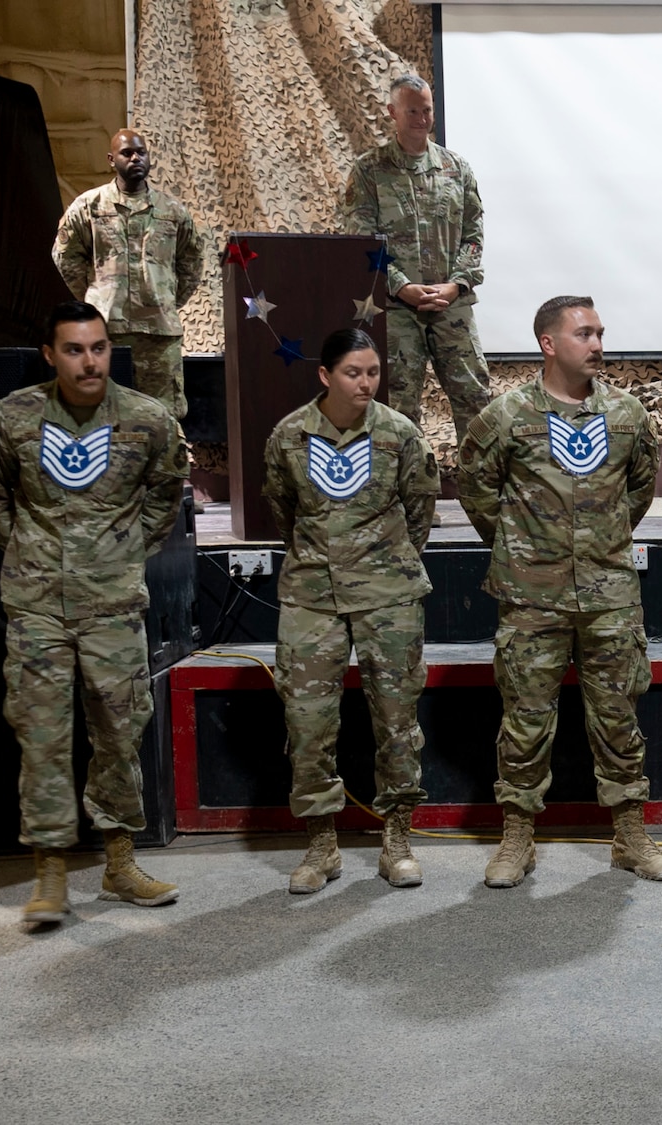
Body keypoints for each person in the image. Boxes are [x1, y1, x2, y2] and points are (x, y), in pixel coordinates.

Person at [0, 301, 190, 926]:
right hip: (36, 606)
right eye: (74, 349)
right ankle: (51, 875)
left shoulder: (148, 420)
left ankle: (119, 865)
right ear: (50, 354)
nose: (88, 361)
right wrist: (32, 554)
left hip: (113, 605)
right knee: (42, 739)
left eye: (97, 348)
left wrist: (118, 554)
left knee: (120, 734)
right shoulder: (11, 419)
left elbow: (164, 499)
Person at [457, 296, 662, 886]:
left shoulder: (628, 415)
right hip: (531, 596)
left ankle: (630, 836)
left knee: (618, 717)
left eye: (601, 332)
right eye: (584, 333)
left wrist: (598, 541)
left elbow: (639, 490)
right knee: (525, 720)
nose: (598, 344)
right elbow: (477, 490)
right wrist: (523, 547)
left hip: (608, 596)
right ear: (549, 343)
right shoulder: (505, 416)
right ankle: (517, 839)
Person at [261, 328, 440, 893]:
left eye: (372, 372)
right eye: (352, 373)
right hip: (311, 597)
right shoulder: (289, 436)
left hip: (388, 595)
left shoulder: (399, 434)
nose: (365, 383)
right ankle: (321, 846)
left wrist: (383, 563)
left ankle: (398, 839)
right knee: (308, 724)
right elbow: (282, 513)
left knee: (397, 723)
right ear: (325, 375)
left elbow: (420, 513)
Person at [338, 74, 493, 448]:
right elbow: (361, 240)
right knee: (397, 405)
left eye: (427, 110)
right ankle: (407, 495)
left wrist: (456, 283)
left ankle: (484, 494)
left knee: (474, 399)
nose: (422, 119)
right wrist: (401, 286)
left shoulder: (457, 169)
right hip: (396, 308)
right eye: (412, 111)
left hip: (450, 303)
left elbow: (473, 234)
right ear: (392, 112)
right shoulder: (368, 170)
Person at [51, 129, 206, 419]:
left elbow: (192, 260)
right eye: (127, 153)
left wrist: (167, 299)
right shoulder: (89, 206)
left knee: (163, 416)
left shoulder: (172, 211)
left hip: (159, 333)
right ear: (112, 159)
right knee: (103, 412)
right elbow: (65, 255)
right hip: (107, 331)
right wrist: (96, 296)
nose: (136, 158)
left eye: (141, 152)